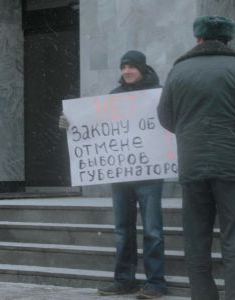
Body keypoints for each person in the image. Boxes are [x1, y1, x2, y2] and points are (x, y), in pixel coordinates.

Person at [157, 16, 235, 300]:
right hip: (234, 167)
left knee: (196, 241)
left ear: (198, 39)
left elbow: (165, 117)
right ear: (228, 39)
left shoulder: (178, 71)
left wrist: (190, 130)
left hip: (193, 167)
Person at [60, 50, 167, 299]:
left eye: (131, 66)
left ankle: (156, 283)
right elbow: (95, 126)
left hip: (150, 174)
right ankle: (124, 280)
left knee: (153, 230)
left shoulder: (158, 95)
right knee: (123, 229)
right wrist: (70, 123)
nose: (126, 71)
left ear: (142, 68)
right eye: (123, 67)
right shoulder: (114, 97)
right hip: (121, 175)